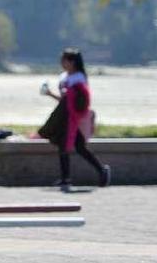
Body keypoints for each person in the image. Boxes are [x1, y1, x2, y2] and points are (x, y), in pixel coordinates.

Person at [38, 48, 110, 189]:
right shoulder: (66, 77)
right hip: (66, 117)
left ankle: (100, 171)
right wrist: (49, 94)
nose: (62, 63)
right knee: (68, 146)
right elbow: (65, 101)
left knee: (76, 146)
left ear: (72, 62)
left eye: (65, 60)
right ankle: (68, 178)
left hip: (76, 119)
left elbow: (78, 102)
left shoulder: (79, 80)